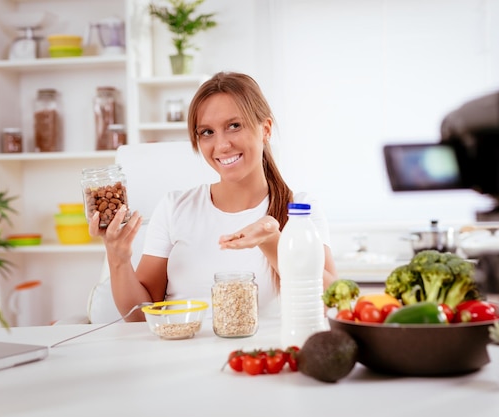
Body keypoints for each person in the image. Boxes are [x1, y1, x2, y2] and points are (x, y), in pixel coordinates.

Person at [89, 71, 338, 321]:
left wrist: (273, 242)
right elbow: (140, 318)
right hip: (178, 354)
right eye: (207, 132)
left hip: (255, 357)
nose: (221, 146)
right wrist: (118, 258)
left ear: (265, 129)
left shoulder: (299, 210)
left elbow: (332, 303)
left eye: (234, 126)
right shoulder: (174, 207)